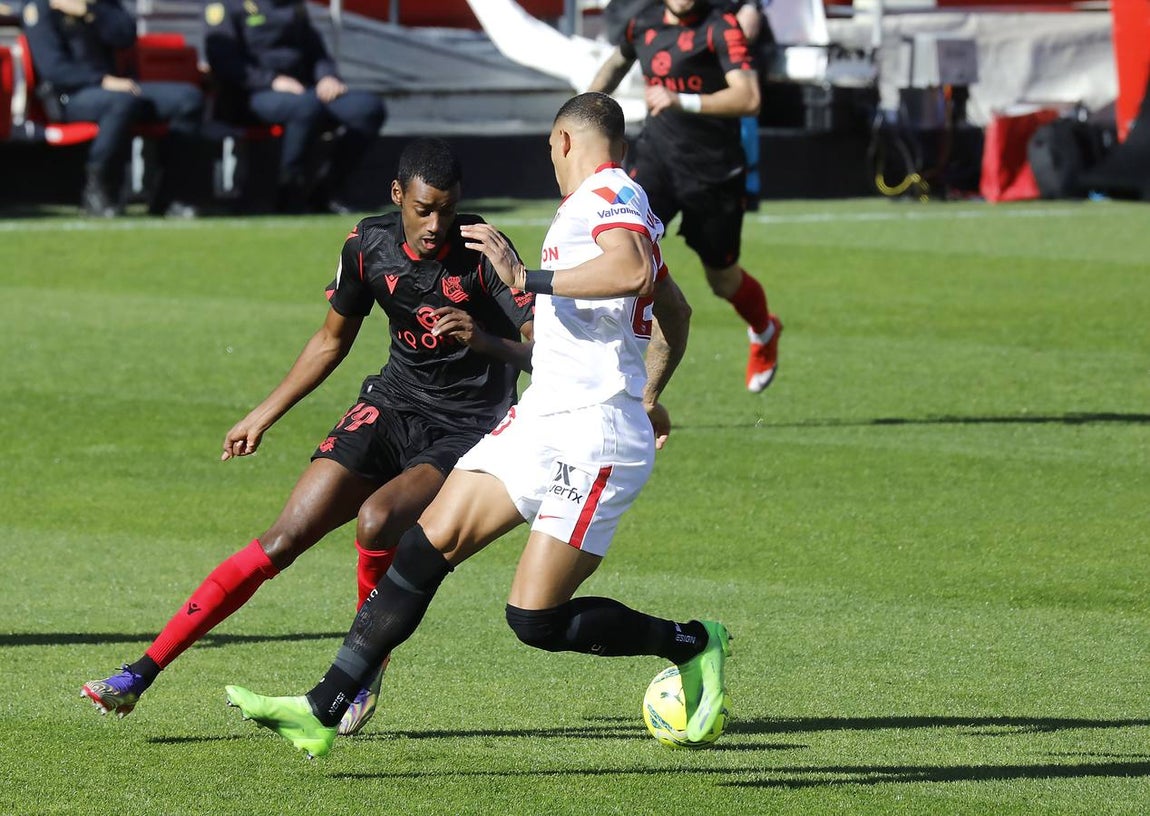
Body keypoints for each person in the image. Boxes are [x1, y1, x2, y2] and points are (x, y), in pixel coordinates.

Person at [223, 92, 730, 760]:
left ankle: (693, 643)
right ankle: (325, 707)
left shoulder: (607, 195)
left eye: (551, 149)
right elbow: (676, 308)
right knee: (422, 547)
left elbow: (633, 270)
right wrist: (651, 390)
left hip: (593, 435)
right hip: (545, 413)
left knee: (534, 619)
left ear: (565, 141)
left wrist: (529, 277)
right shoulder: (611, 203)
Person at [81, 138, 535, 737]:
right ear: (398, 196)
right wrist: (261, 415)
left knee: (377, 520)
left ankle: (360, 671)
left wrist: (479, 338)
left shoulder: (486, 253)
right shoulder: (366, 245)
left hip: (466, 427)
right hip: (391, 404)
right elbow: (330, 340)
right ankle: (140, 672)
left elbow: (542, 352)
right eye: (424, 209)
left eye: (447, 210)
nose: (435, 225)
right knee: (280, 540)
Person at [589, 0, 783, 393]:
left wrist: (684, 100)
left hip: (714, 174)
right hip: (655, 164)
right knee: (621, 255)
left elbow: (749, 98)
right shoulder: (642, 22)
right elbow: (616, 63)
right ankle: (609, 376)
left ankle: (764, 329)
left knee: (723, 280)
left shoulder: (720, 27)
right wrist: (583, 109)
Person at [21, 0, 205, 217]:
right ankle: (97, 191)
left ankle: (170, 196)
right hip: (69, 95)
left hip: (116, 89)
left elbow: (125, 35)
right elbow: (54, 69)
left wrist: (91, 11)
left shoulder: (100, 4)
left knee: (187, 98)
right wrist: (101, 81)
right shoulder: (41, 7)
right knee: (121, 101)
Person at [203, 0, 387, 214]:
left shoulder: (291, 4)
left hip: (305, 91)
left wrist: (327, 76)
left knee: (367, 108)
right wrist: (271, 81)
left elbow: (315, 49)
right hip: (251, 95)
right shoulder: (226, 5)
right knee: (305, 107)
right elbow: (223, 60)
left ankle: (326, 192)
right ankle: (289, 192)